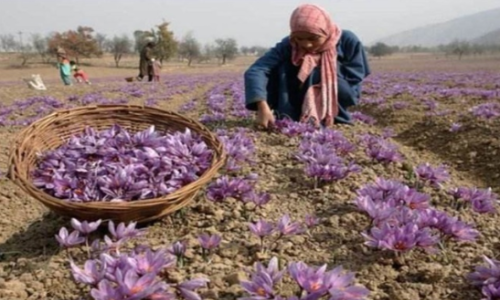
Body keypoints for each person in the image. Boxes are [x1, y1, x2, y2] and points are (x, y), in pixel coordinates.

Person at [244, 4, 371, 129]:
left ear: (326, 31)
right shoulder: (289, 44)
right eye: (299, 38)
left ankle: (333, 116)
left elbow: (355, 75)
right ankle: (289, 114)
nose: (307, 44)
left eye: (314, 38)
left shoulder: (346, 40)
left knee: (315, 68)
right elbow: (257, 69)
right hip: (296, 93)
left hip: (339, 91)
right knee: (281, 67)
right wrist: (262, 105)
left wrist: (322, 75)